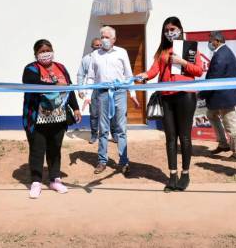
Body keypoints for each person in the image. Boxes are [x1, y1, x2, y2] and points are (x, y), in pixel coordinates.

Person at [137, 17, 203, 192]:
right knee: (170, 138)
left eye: (172, 29)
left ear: (180, 29)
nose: (169, 32)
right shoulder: (162, 50)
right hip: (166, 96)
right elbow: (153, 70)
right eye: (166, 30)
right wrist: (143, 75)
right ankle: (172, 175)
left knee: (185, 136)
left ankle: (185, 174)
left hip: (185, 96)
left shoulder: (190, 48)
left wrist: (183, 63)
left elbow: (199, 70)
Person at [22, 39, 82, 199]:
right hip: (37, 118)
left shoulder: (61, 67)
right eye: (41, 51)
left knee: (55, 149)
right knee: (37, 149)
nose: (45, 53)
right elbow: (32, 83)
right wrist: (56, 86)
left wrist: (75, 107)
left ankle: (55, 179)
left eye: (48, 50)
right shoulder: (31, 69)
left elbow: (69, 88)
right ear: (36, 54)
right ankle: (36, 181)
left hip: (59, 117)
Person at [85, 26, 140, 176]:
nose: (104, 39)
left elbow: (128, 75)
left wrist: (133, 94)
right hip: (102, 93)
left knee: (121, 129)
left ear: (114, 39)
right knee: (103, 130)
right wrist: (88, 96)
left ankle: (123, 162)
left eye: (107, 37)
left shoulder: (122, 52)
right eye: (102, 36)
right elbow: (90, 77)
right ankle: (102, 161)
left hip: (119, 93)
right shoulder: (95, 55)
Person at [199, 31, 236, 161]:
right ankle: (223, 144)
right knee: (211, 115)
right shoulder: (224, 52)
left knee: (231, 124)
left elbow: (214, 79)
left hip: (224, 97)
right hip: (220, 96)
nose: (209, 43)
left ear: (217, 41)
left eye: (211, 40)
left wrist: (202, 94)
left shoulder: (221, 55)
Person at [77, 37, 102, 143]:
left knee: (110, 113)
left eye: (101, 45)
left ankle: (113, 134)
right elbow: (81, 75)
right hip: (92, 90)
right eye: (97, 45)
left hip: (106, 88)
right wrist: (80, 90)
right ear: (92, 46)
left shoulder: (108, 57)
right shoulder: (86, 59)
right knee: (94, 113)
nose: (99, 47)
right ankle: (94, 134)